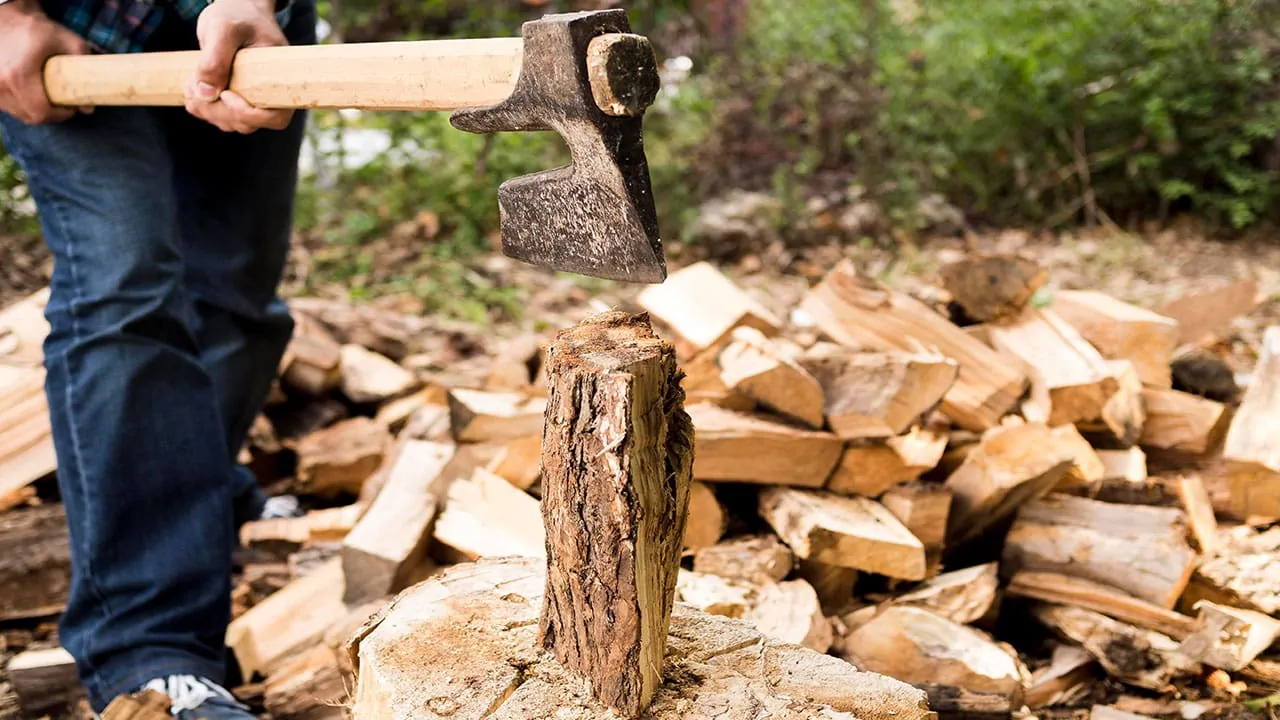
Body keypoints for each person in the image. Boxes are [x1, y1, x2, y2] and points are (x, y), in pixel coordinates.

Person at [0, 0, 315, 717]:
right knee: (123, 292)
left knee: (236, 297)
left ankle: (195, 486)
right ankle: (151, 649)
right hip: (62, 23)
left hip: (240, 16)